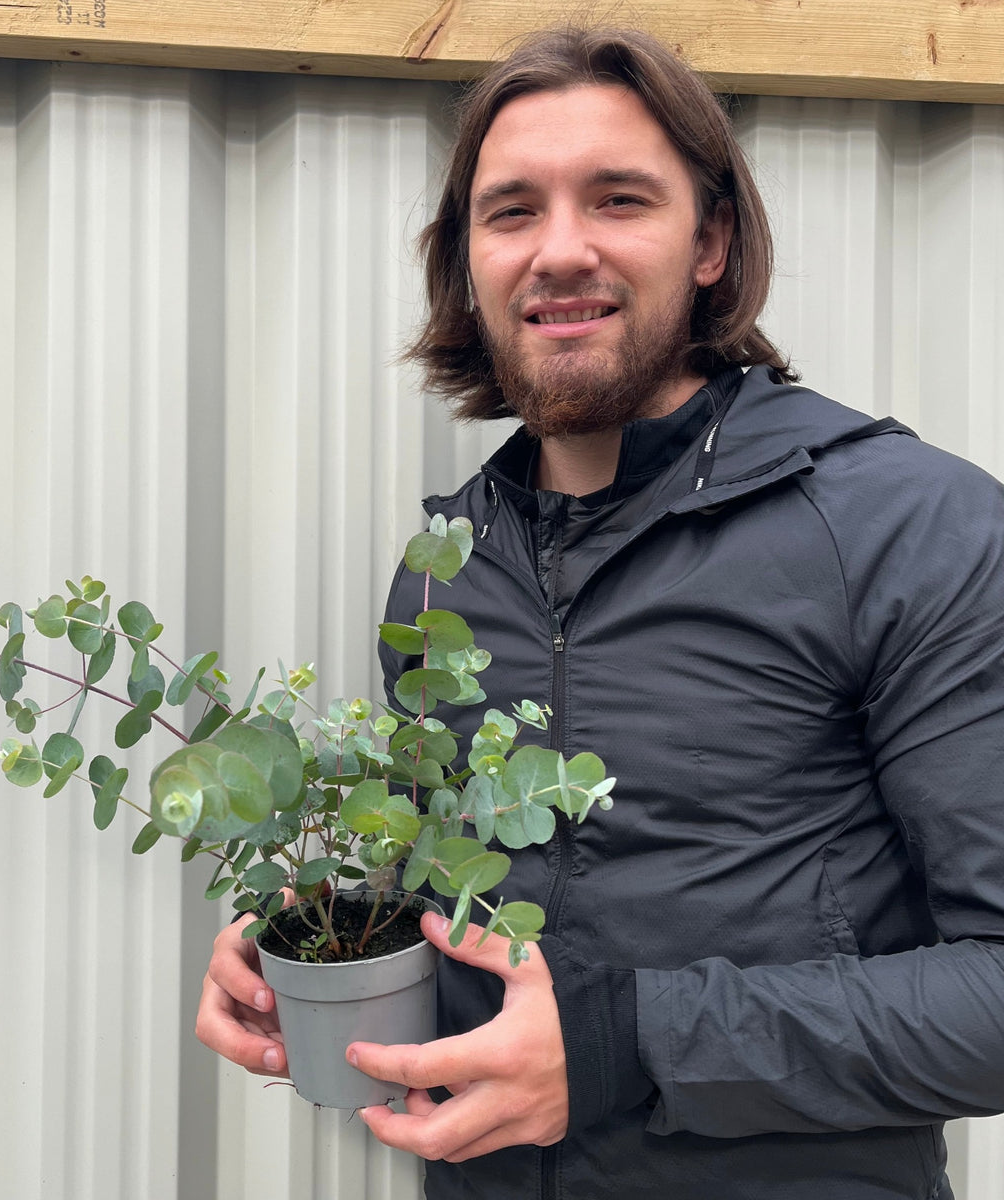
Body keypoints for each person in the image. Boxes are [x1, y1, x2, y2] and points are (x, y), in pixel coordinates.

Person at [196, 25, 1004, 1199]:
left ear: (711, 241)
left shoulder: (908, 525)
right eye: (512, 211)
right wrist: (322, 939)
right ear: (467, 260)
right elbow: (481, 899)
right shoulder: (446, 569)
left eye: (619, 199)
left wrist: (630, 1045)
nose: (560, 249)